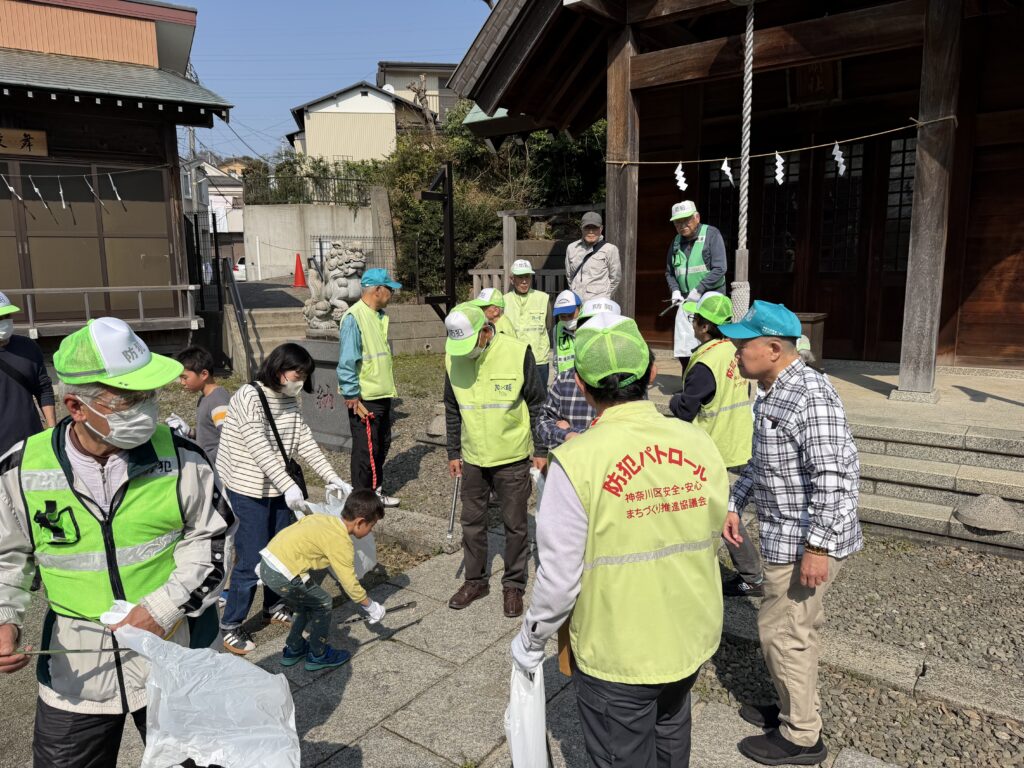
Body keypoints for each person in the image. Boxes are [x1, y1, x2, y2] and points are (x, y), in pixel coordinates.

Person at [0, 317, 233, 768]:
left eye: (150, 394)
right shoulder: (22, 468)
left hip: (175, 652)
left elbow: (213, 538)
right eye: (129, 400)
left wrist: (162, 609)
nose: (148, 408)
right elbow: (6, 554)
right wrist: (4, 617)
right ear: (76, 406)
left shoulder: (183, 457)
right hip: (77, 670)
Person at [511, 313, 728, 767]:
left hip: (619, 652)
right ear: (652, 372)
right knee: (671, 740)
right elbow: (710, 534)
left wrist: (532, 638)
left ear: (581, 386)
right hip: (689, 633)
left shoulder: (576, 461)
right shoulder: (699, 442)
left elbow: (559, 579)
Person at [719, 301, 862, 766]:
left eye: (744, 344)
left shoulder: (809, 396)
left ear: (774, 348)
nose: (736, 352)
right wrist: (735, 504)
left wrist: (817, 546)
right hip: (786, 535)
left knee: (784, 633)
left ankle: (801, 735)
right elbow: (762, 465)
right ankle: (792, 708)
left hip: (805, 541)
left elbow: (834, 477)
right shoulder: (773, 390)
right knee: (789, 630)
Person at [216, 343, 353, 655]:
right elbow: (259, 447)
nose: (300, 380)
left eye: (304, 375)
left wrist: (332, 477)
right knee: (251, 558)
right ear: (278, 369)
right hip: (247, 488)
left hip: (279, 488)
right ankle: (231, 623)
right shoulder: (249, 396)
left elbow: (304, 440)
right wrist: (288, 485)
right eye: (296, 373)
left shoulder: (290, 398)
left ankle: (274, 605)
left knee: (282, 551)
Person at [443, 302, 545, 618]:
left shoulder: (517, 352)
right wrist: (453, 452)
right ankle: (475, 581)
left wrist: (541, 449)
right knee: (472, 522)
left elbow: (538, 403)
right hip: (473, 456)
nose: (465, 352)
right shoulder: (453, 357)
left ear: (485, 331)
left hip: (511, 456)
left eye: (470, 343)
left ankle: (513, 584)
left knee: (515, 524)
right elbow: (452, 407)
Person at [668, 292, 764, 597]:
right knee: (718, 510)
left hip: (713, 448)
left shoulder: (705, 362)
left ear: (705, 325)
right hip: (737, 442)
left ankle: (752, 576)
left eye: (695, 319)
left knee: (721, 514)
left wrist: (673, 401)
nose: (692, 324)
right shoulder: (734, 351)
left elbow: (687, 409)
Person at [258, 489, 387, 671]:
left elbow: (294, 533)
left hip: (268, 563)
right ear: (360, 522)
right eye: (371, 526)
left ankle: (294, 648)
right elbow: (350, 584)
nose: (371, 531)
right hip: (284, 573)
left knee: (305, 603)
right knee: (323, 602)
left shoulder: (321, 519)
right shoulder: (341, 542)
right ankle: (317, 655)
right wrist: (371, 606)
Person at [337, 268, 402, 507]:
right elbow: (347, 359)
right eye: (389, 289)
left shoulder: (377, 315)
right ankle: (365, 498)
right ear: (378, 290)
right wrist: (351, 392)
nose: (392, 294)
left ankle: (371, 492)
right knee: (367, 451)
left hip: (381, 392)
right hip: (365, 397)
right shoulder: (355, 317)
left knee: (380, 444)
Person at [536, 297, 619, 453]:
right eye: (591, 329)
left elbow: (631, 432)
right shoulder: (564, 380)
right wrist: (565, 435)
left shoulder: (629, 383)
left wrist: (572, 433)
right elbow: (543, 421)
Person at [664, 201, 727, 377]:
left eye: (686, 220)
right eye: (677, 222)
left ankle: (714, 379)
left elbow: (720, 268)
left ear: (697, 217)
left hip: (711, 297)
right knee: (684, 344)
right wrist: (675, 290)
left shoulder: (711, 234)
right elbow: (670, 272)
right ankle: (688, 381)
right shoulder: (675, 242)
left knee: (710, 342)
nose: (682, 225)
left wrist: (700, 289)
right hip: (686, 300)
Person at [0, 291, 55, 456]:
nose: (4, 322)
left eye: (7, 316)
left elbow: (43, 388)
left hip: (31, 442)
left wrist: (52, 430)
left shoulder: (28, 346)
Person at [166, 345, 231, 466]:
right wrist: (190, 432)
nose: (182, 383)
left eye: (185, 377)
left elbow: (229, 440)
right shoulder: (204, 398)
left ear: (204, 374)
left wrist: (205, 459)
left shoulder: (218, 400)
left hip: (216, 467)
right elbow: (211, 435)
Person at [503, 258, 551, 384]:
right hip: (513, 360)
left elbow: (548, 326)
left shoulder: (543, 298)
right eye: (520, 277)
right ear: (512, 279)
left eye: (527, 277)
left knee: (540, 395)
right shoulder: (504, 301)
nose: (524, 281)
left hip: (539, 360)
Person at [565, 211, 621, 304]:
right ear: (581, 228)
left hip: (599, 304)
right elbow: (569, 276)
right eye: (587, 228)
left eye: (594, 228)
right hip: (577, 303)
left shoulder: (610, 249)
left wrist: (605, 297)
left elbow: (615, 279)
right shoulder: (571, 248)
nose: (591, 232)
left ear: (601, 229)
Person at [551, 289, 582, 374]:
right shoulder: (557, 329)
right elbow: (556, 358)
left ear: (580, 308)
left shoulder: (588, 327)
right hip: (565, 379)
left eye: (570, 315)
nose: (567, 319)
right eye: (563, 316)